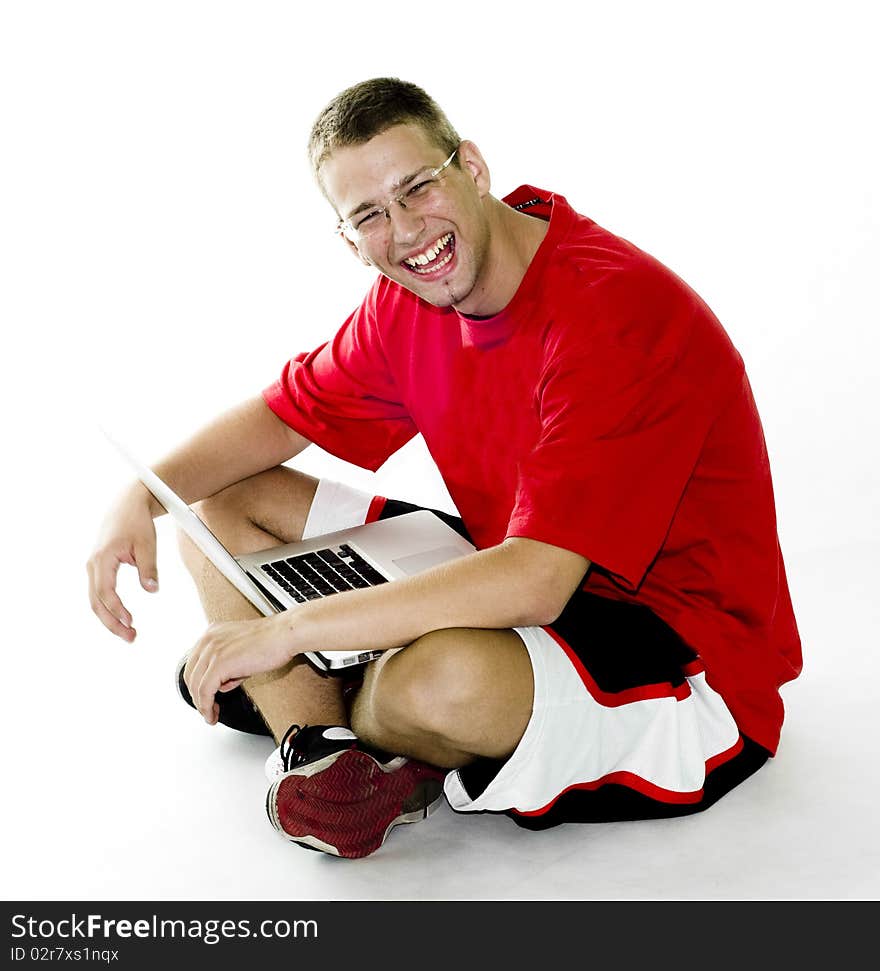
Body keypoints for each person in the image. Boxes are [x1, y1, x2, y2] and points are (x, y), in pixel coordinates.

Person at [87, 77, 802, 860]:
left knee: (433, 680)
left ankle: (322, 690)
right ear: (348, 238)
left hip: (680, 655)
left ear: (473, 166)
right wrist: (143, 494)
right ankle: (322, 744)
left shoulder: (614, 314)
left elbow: (536, 582)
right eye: (368, 215)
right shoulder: (411, 298)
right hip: (519, 566)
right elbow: (278, 417)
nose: (402, 230)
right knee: (217, 506)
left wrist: (288, 632)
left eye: (417, 187)